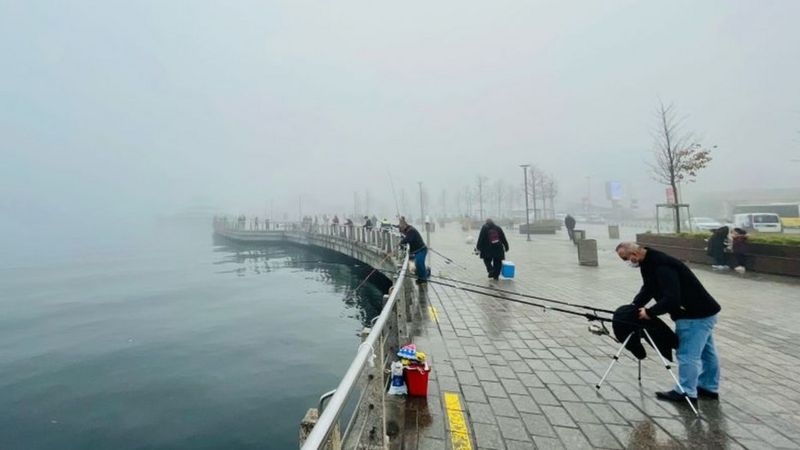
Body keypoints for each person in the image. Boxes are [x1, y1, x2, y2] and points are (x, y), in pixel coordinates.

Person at [615, 242, 721, 406]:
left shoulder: (662, 266)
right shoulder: (649, 262)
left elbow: (672, 299)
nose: (626, 262)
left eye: (625, 259)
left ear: (634, 255)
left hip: (693, 316)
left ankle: (686, 393)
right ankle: (708, 387)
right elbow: (649, 287)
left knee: (687, 355)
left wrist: (650, 312)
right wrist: (634, 306)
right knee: (707, 353)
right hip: (704, 312)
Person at [398, 218, 428, 284]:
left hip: (422, 250)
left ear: (404, 226)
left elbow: (408, 239)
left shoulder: (411, 231)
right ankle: (422, 276)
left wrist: (401, 243)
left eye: (401, 229)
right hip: (415, 252)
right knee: (416, 266)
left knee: (419, 263)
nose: (401, 231)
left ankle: (423, 279)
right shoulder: (407, 230)